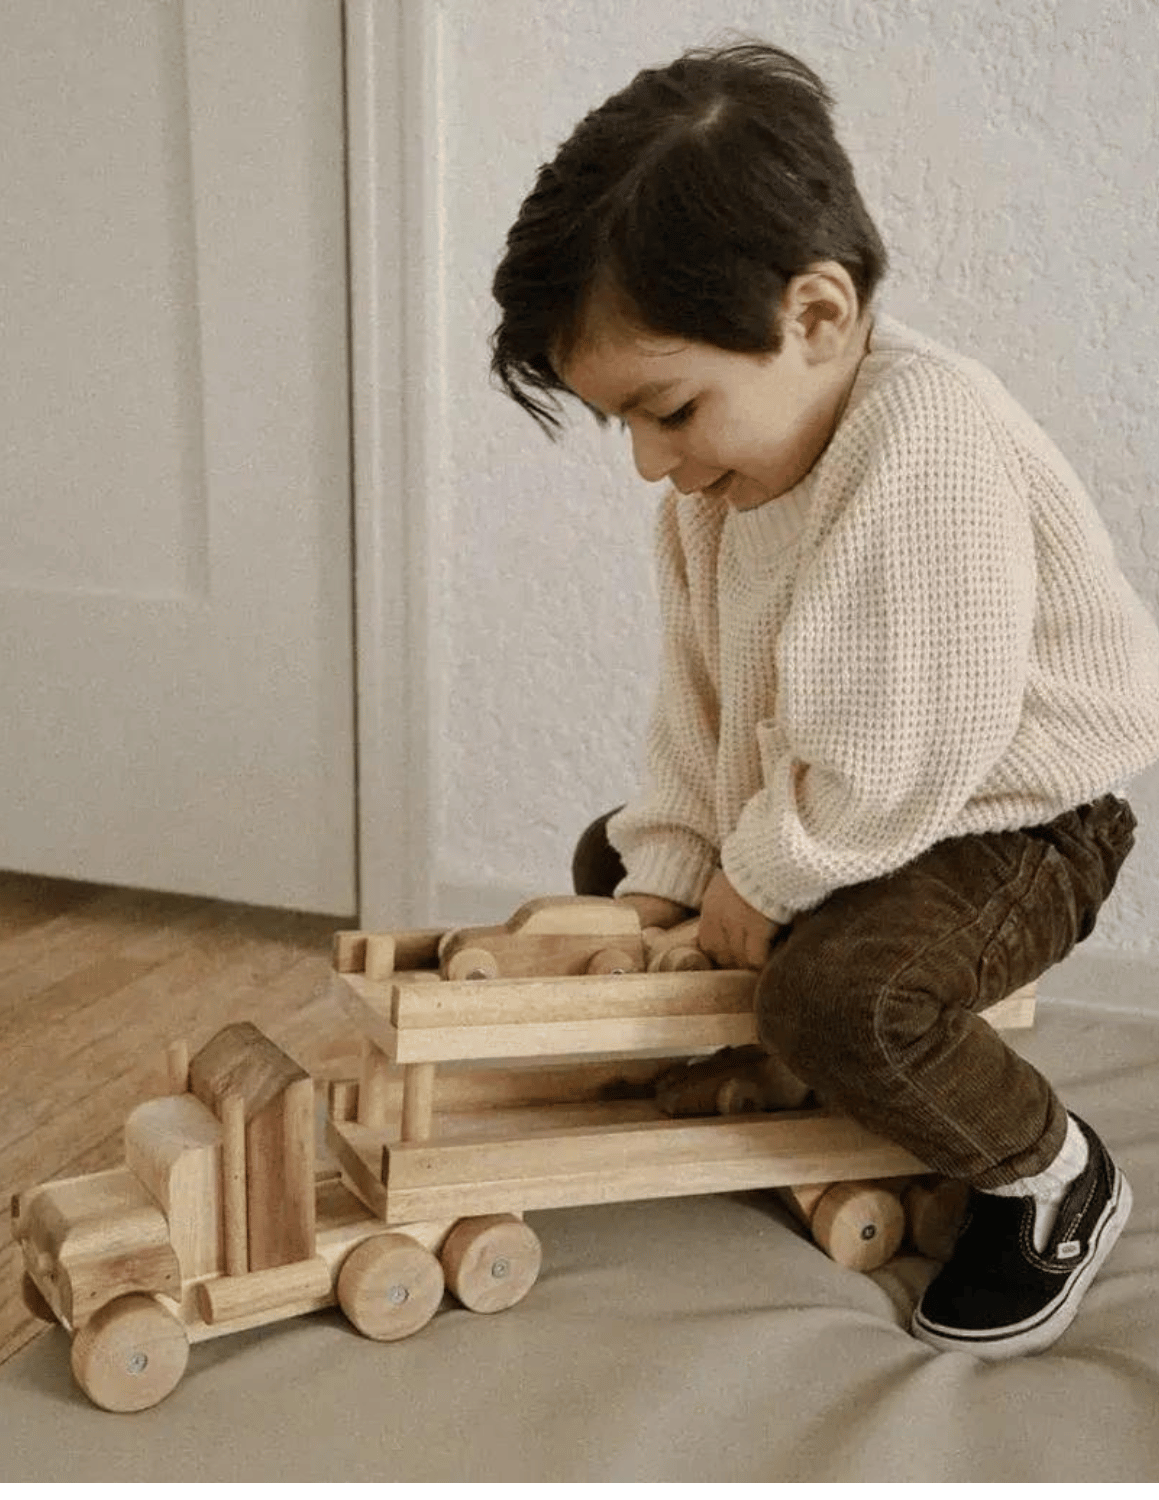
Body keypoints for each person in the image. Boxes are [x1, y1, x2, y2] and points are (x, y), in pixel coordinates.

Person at [488, 40, 1159, 1358]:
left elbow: (919, 743)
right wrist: (666, 886)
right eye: (622, 423)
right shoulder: (715, 490)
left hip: (1010, 820)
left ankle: (1047, 1172)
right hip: (868, 801)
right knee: (613, 857)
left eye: (669, 409)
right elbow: (694, 719)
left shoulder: (929, 438)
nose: (647, 462)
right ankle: (752, 1061)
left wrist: (772, 875)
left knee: (841, 993)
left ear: (817, 317)